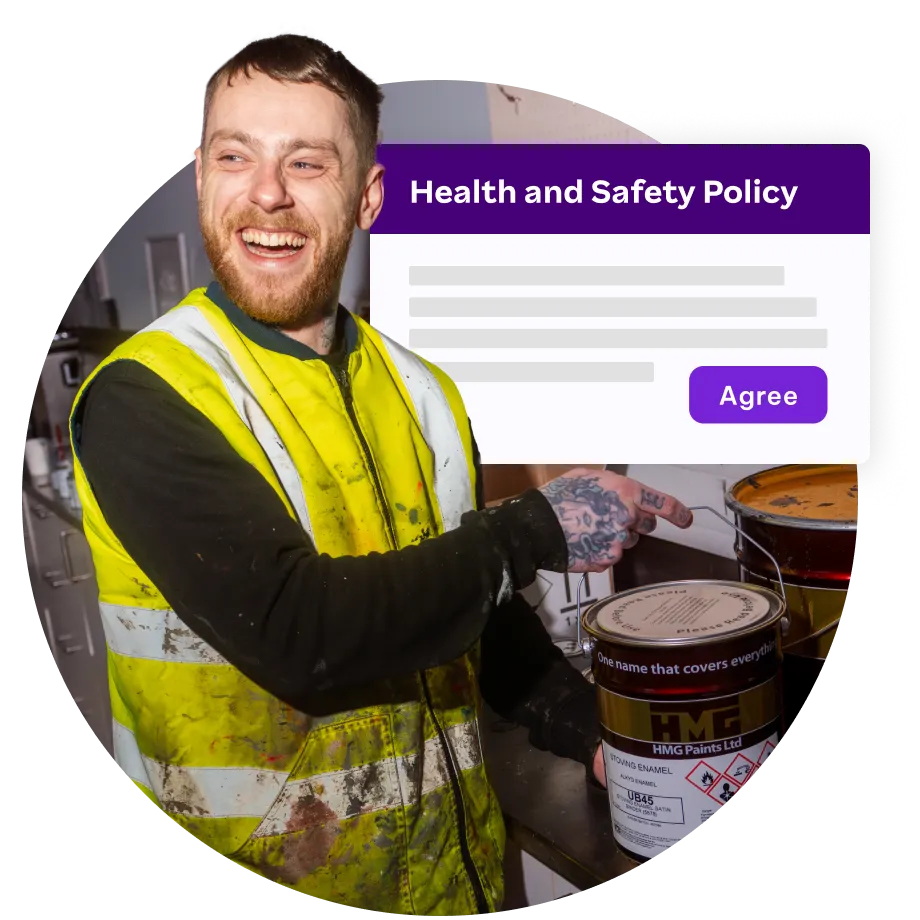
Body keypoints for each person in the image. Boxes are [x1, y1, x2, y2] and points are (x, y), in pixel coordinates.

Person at [69, 28, 693, 915]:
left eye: (308, 164)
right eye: (235, 155)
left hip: (449, 877)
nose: (267, 194)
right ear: (204, 175)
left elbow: (472, 608)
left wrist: (588, 726)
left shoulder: (424, 390)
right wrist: (535, 528)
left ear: (367, 198)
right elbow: (302, 631)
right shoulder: (145, 395)